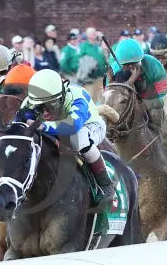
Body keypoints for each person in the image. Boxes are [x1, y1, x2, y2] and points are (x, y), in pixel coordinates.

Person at [17, 69, 115, 200]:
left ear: (62, 95)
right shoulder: (29, 102)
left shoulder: (76, 97)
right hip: (58, 127)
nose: (45, 110)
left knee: (78, 139)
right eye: (40, 106)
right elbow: (17, 127)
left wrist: (43, 126)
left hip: (89, 126)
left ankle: (105, 183)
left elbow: (73, 126)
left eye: (50, 104)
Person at [109, 37, 167, 131]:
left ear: (142, 59)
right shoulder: (114, 70)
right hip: (124, 110)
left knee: (159, 116)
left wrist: (148, 104)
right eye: (126, 64)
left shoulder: (154, 65)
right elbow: (108, 101)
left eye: (134, 63)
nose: (131, 67)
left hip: (151, 105)